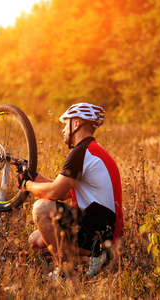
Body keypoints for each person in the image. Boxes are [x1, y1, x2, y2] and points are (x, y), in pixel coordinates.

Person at [16, 102, 123, 278]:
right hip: (103, 231)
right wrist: (31, 175)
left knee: (42, 208)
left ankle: (67, 273)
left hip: (100, 234)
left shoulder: (82, 152)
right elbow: (65, 192)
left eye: (66, 124)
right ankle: (87, 261)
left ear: (76, 124)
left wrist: (26, 185)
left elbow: (55, 192)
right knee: (35, 242)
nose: (63, 130)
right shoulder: (92, 151)